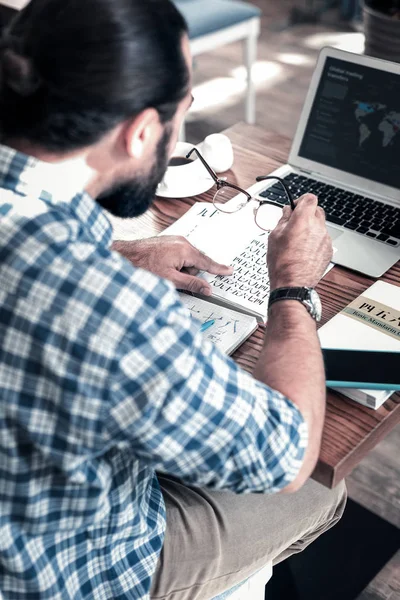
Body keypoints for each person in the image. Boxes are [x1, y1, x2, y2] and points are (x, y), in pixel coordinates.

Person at [0, 1, 346, 599]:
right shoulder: (107, 307)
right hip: (67, 571)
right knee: (322, 484)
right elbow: (287, 454)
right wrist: (292, 285)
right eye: (179, 112)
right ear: (139, 131)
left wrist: (118, 255)